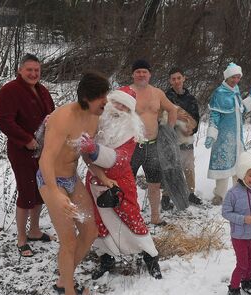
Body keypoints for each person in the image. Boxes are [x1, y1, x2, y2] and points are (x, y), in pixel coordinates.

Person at [37, 71, 109, 295]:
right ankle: (68, 294)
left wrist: (101, 175)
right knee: (68, 240)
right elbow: (45, 159)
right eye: (102, 97)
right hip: (50, 181)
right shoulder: (62, 117)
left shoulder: (93, 118)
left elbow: (86, 152)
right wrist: (55, 192)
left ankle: (63, 278)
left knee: (90, 230)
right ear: (87, 97)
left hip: (71, 179)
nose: (105, 102)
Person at [83, 86, 162, 279]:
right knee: (98, 220)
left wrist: (94, 150)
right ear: (110, 102)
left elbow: (120, 160)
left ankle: (150, 257)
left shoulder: (131, 132)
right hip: (94, 180)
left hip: (120, 182)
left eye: (125, 106)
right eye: (117, 103)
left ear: (130, 111)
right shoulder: (96, 122)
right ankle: (106, 257)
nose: (119, 108)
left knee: (131, 218)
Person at [0, 53, 55, 257]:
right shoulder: (9, 91)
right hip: (22, 151)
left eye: (37, 70)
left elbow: (51, 116)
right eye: (29, 70)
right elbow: (3, 120)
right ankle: (21, 238)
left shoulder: (42, 91)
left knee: (40, 190)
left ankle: (34, 231)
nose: (33, 73)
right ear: (20, 70)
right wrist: (27, 139)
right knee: (26, 192)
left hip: (43, 150)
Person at [129, 59, 178, 225]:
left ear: (150, 74)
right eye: (138, 71)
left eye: (145, 71)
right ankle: (130, 218)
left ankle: (155, 218)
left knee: (155, 184)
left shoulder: (157, 93)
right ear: (133, 74)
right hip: (132, 146)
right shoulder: (126, 92)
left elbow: (172, 109)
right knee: (128, 185)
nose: (141, 74)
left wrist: (168, 132)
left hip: (153, 145)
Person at [205, 62, 251, 205]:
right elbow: (215, 115)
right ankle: (219, 196)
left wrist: (250, 98)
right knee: (223, 165)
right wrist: (211, 134)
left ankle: (238, 192)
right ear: (227, 77)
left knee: (239, 165)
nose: (235, 80)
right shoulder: (219, 93)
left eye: (238, 77)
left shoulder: (236, 90)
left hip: (237, 136)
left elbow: (239, 110)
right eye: (233, 77)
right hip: (224, 137)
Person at [221, 152, 251, 295]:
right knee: (242, 264)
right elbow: (225, 212)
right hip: (239, 236)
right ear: (242, 174)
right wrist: (242, 219)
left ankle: (246, 283)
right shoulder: (232, 193)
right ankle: (233, 289)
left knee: (250, 261)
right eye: (250, 175)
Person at [164, 67, 202, 206]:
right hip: (171, 138)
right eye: (173, 79)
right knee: (171, 167)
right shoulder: (166, 97)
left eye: (179, 78)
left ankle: (191, 193)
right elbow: (161, 117)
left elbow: (196, 118)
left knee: (189, 167)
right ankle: (166, 196)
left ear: (184, 78)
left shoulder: (191, 98)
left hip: (187, 138)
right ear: (170, 81)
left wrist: (192, 130)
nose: (176, 81)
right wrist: (175, 117)